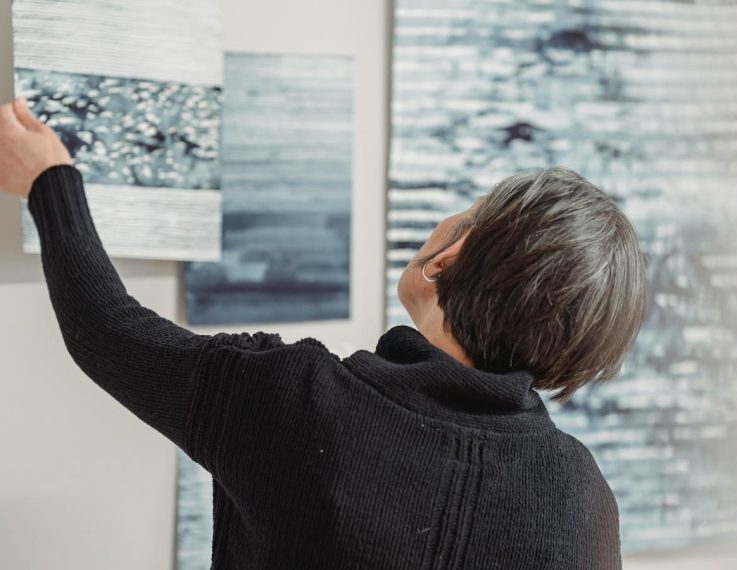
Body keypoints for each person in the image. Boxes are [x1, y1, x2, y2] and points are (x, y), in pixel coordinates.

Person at [0, 97, 645, 569]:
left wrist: (49, 182)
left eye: (467, 213)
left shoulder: (299, 403)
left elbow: (107, 329)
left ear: (449, 258)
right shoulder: (581, 497)